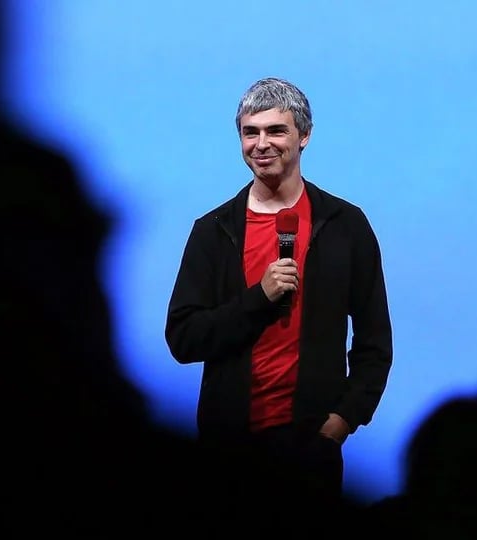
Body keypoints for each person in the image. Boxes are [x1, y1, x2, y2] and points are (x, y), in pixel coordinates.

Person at [164, 77, 393, 504]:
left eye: (275, 131)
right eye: (250, 132)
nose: (261, 144)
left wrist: (340, 423)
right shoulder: (214, 231)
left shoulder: (345, 227)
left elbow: (374, 342)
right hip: (227, 451)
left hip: (311, 449)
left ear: (304, 136)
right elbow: (183, 338)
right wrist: (259, 299)